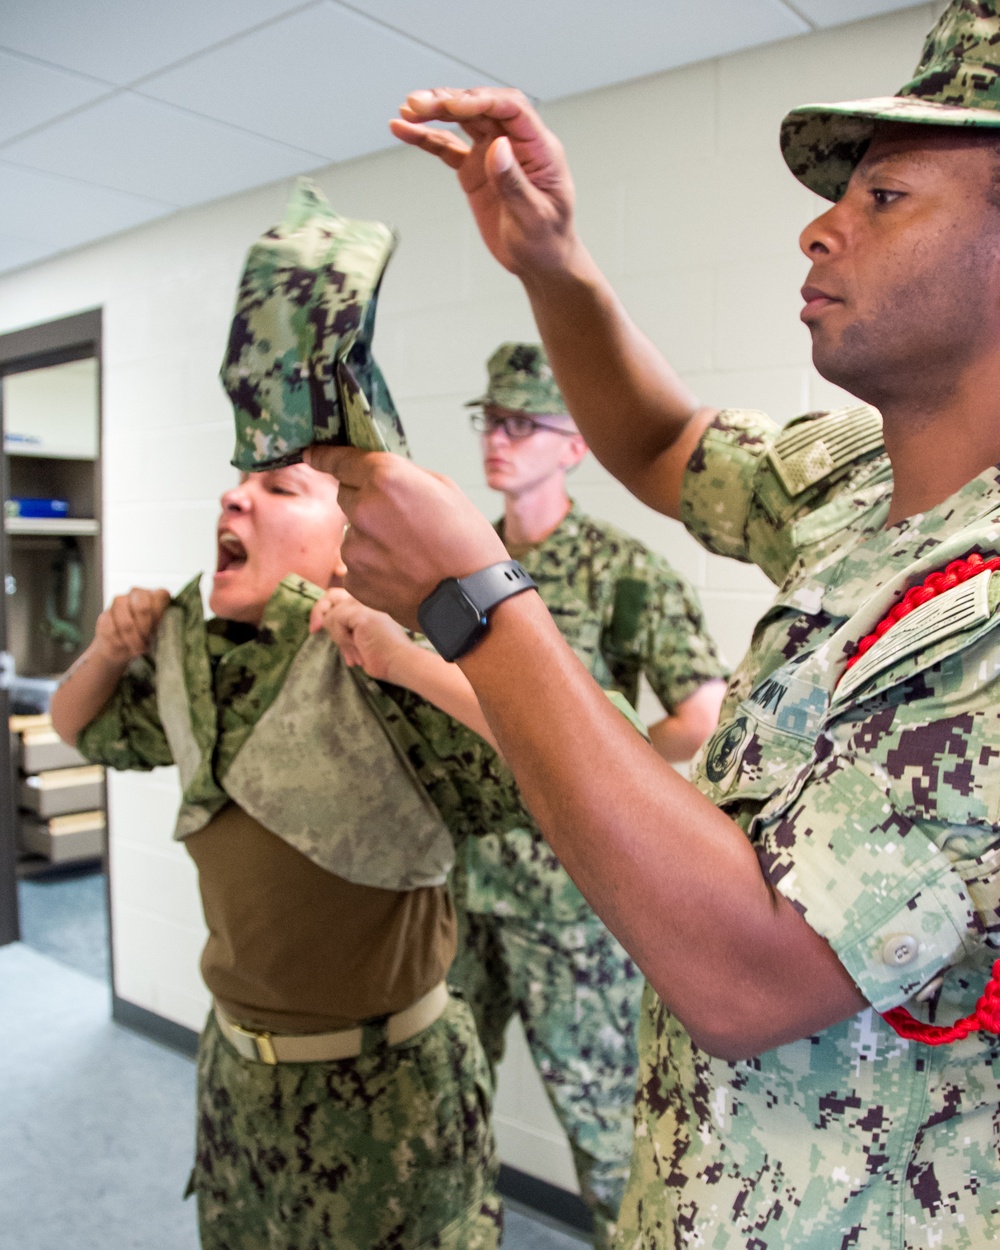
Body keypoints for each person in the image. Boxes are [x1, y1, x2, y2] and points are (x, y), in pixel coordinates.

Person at [305, 2, 1000, 1245]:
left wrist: (475, 606)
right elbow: (666, 441)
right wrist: (551, 261)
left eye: (885, 196)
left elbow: (751, 973)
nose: (822, 223)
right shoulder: (859, 481)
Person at [49, 460, 521, 1250]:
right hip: (238, 1081)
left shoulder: (388, 673)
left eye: (280, 488)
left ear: (350, 546)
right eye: (238, 483)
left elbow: (571, 746)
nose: (234, 496)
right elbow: (77, 726)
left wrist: (407, 659)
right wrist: (105, 650)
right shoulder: (205, 670)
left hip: (387, 1099)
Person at [448, 339, 725, 1245]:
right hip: (460, 889)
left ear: (573, 445)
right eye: (491, 418)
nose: (500, 437)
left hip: (572, 907)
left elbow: (703, 709)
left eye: (524, 422)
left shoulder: (620, 569)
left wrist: (597, 759)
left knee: (609, 1144)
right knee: (447, 1115)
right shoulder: (453, 566)